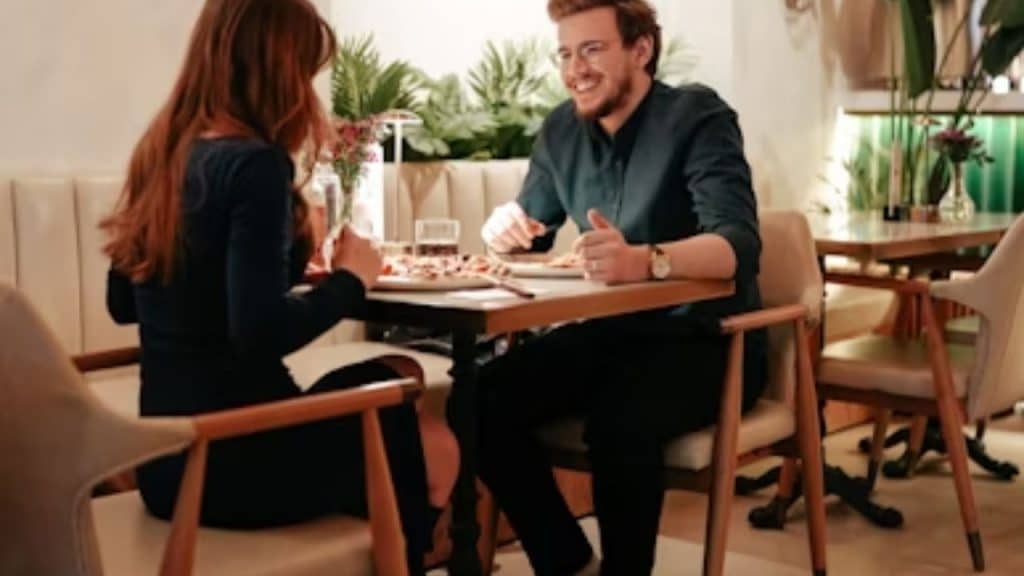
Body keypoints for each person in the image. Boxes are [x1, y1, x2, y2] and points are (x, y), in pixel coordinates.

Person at [99, 1, 456, 573]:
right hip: (238, 461)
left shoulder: (162, 154)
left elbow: (126, 304)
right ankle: (411, 553)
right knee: (413, 422)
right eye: (305, 71)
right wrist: (352, 280)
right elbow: (259, 333)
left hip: (166, 467)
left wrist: (283, 259)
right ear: (277, 71)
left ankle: (410, 543)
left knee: (399, 379)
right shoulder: (255, 166)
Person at [477, 1, 765, 574]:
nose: (574, 69)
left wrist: (644, 261)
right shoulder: (562, 128)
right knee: (478, 400)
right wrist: (502, 230)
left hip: (707, 341)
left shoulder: (697, 116)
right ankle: (568, 563)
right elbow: (531, 233)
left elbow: (739, 246)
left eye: (592, 50)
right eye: (564, 53)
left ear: (641, 50)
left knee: (619, 424)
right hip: (608, 336)